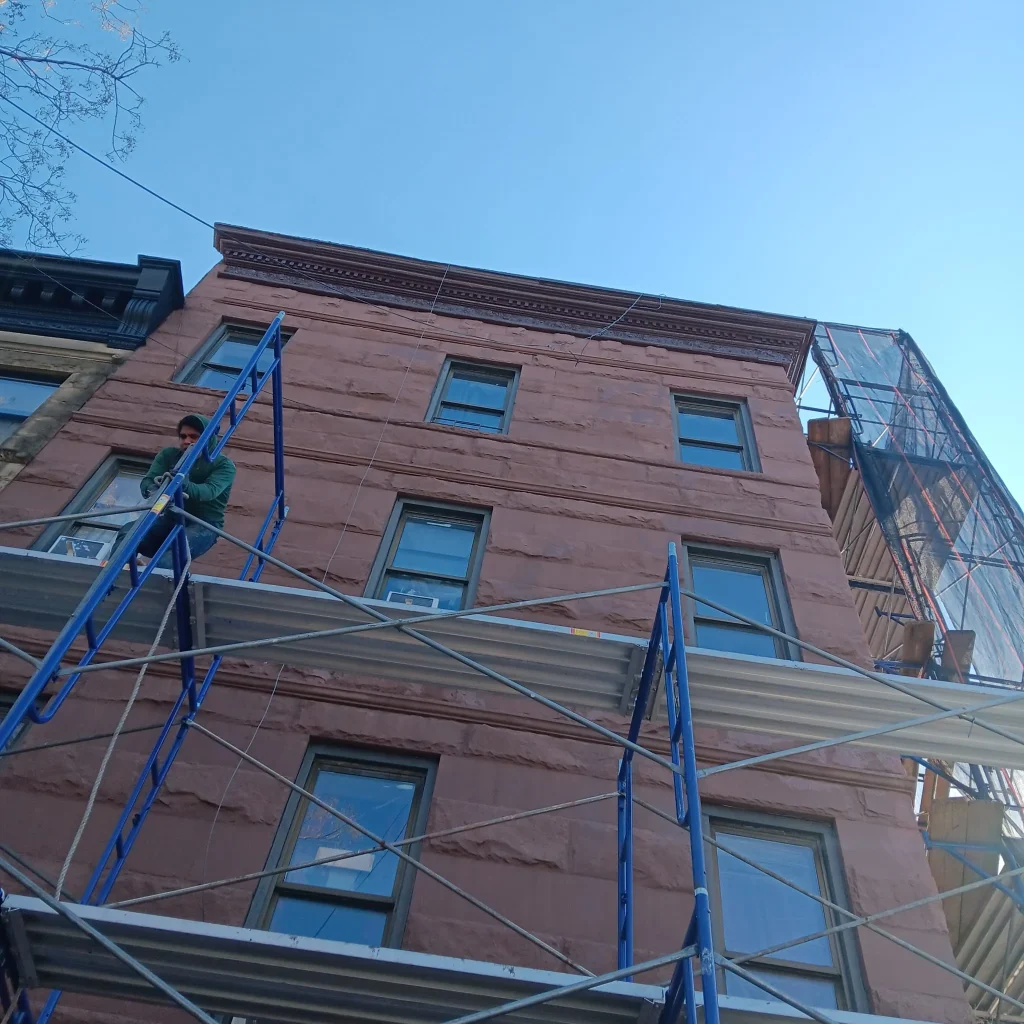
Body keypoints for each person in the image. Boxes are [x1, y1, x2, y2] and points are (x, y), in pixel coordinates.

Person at [114, 414, 236, 569]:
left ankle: (151, 582)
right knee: (129, 531)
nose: (187, 441)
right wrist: (154, 490)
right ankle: (118, 569)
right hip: (169, 518)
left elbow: (209, 491)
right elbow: (148, 481)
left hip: (203, 524)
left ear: (208, 439)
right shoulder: (169, 455)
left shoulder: (224, 465)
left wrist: (182, 484)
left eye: (194, 437)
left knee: (172, 555)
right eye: (183, 436)